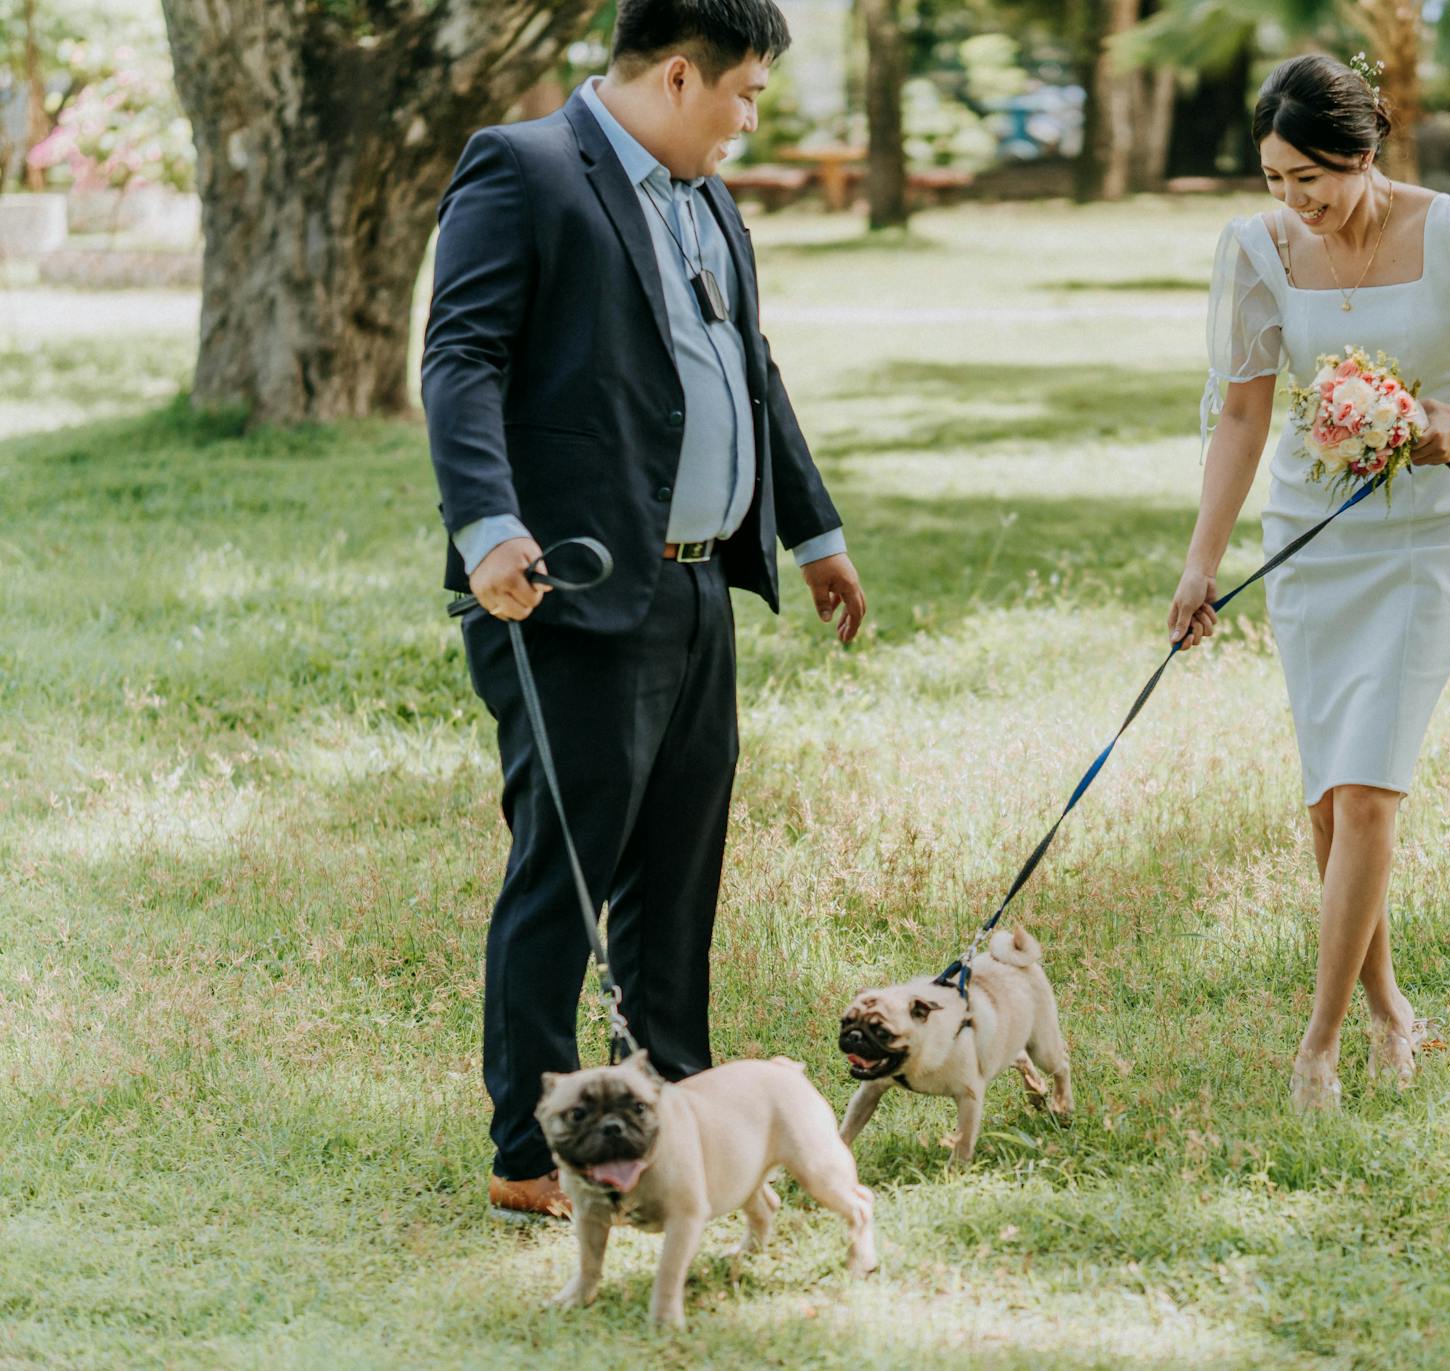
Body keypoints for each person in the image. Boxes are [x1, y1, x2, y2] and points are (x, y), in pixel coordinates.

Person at [422, 0, 867, 1217]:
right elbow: (461, 357)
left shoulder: (710, 202)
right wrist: (486, 528)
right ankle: (525, 1153)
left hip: (694, 586)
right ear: (680, 74)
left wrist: (811, 533)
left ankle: (671, 1119)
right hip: (564, 588)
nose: (748, 122)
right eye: (747, 97)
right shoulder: (523, 171)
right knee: (563, 874)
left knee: (679, 866)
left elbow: (750, 369)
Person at [1167, 54, 1450, 1111]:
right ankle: (1387, 1009)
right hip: (1313, 538)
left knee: (1369, 789)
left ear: (1362, 157)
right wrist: (1200, 562)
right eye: (1275, 180)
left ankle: (1317, 1049)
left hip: (1428, 538)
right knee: (1330, 800)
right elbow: (1242, 415)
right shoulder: (1257, 249)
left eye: (1308, 180)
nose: (1293, 203)